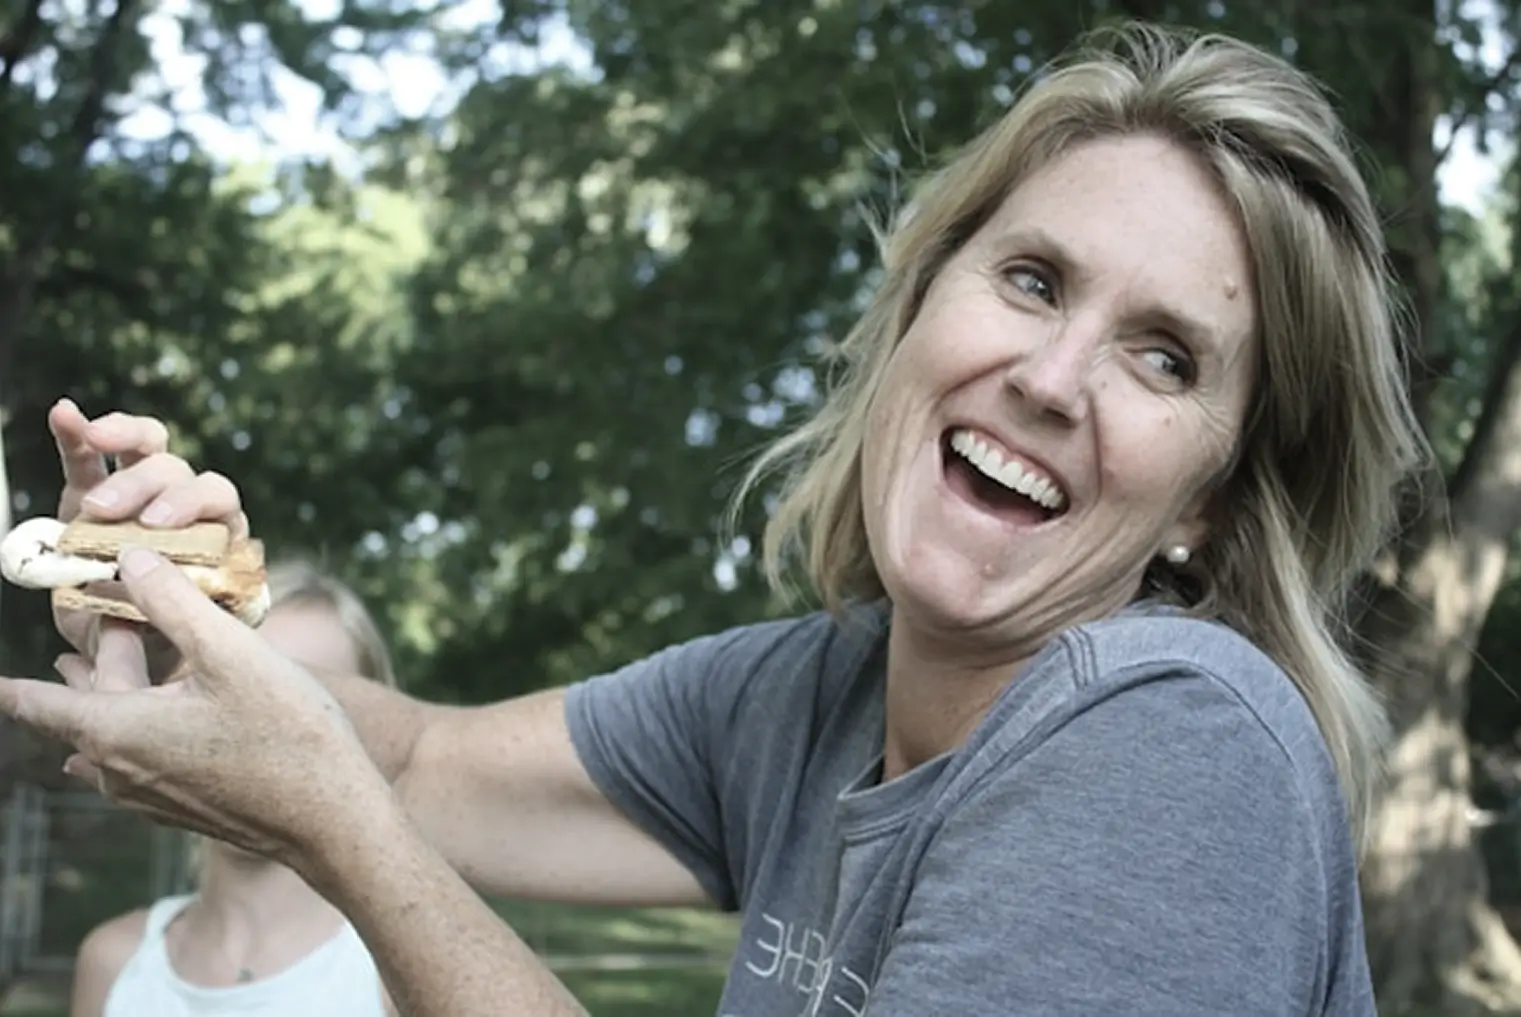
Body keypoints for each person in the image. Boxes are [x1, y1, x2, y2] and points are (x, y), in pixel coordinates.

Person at [0, 21, 1428, 1017]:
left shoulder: (1169, 747)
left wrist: (343, 840)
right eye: (1035, 280)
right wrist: (178, 612)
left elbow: (369, 803)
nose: (1054, 379)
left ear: (1213, 505)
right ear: (922, 300)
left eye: (1163, 355)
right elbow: (425, 755)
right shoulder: (810, 695)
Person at [67, 560, 401, 1017]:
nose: (259, 728)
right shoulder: (113, 962)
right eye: (228, 684)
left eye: (308, 697)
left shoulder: (396, 980)